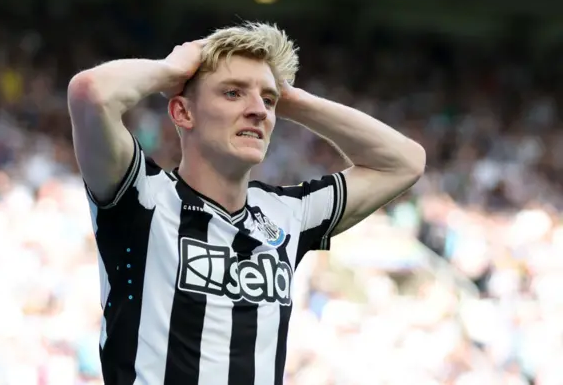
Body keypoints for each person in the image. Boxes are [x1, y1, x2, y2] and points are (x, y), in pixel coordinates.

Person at [67, 21, 426, 385]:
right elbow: (90, 93)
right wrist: (172, 70)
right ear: (183, 112)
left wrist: (294, 100)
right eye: (233, 93)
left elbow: (405, 162)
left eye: (268, 101)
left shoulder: (288, 215)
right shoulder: (142, 198)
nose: (260, 110)